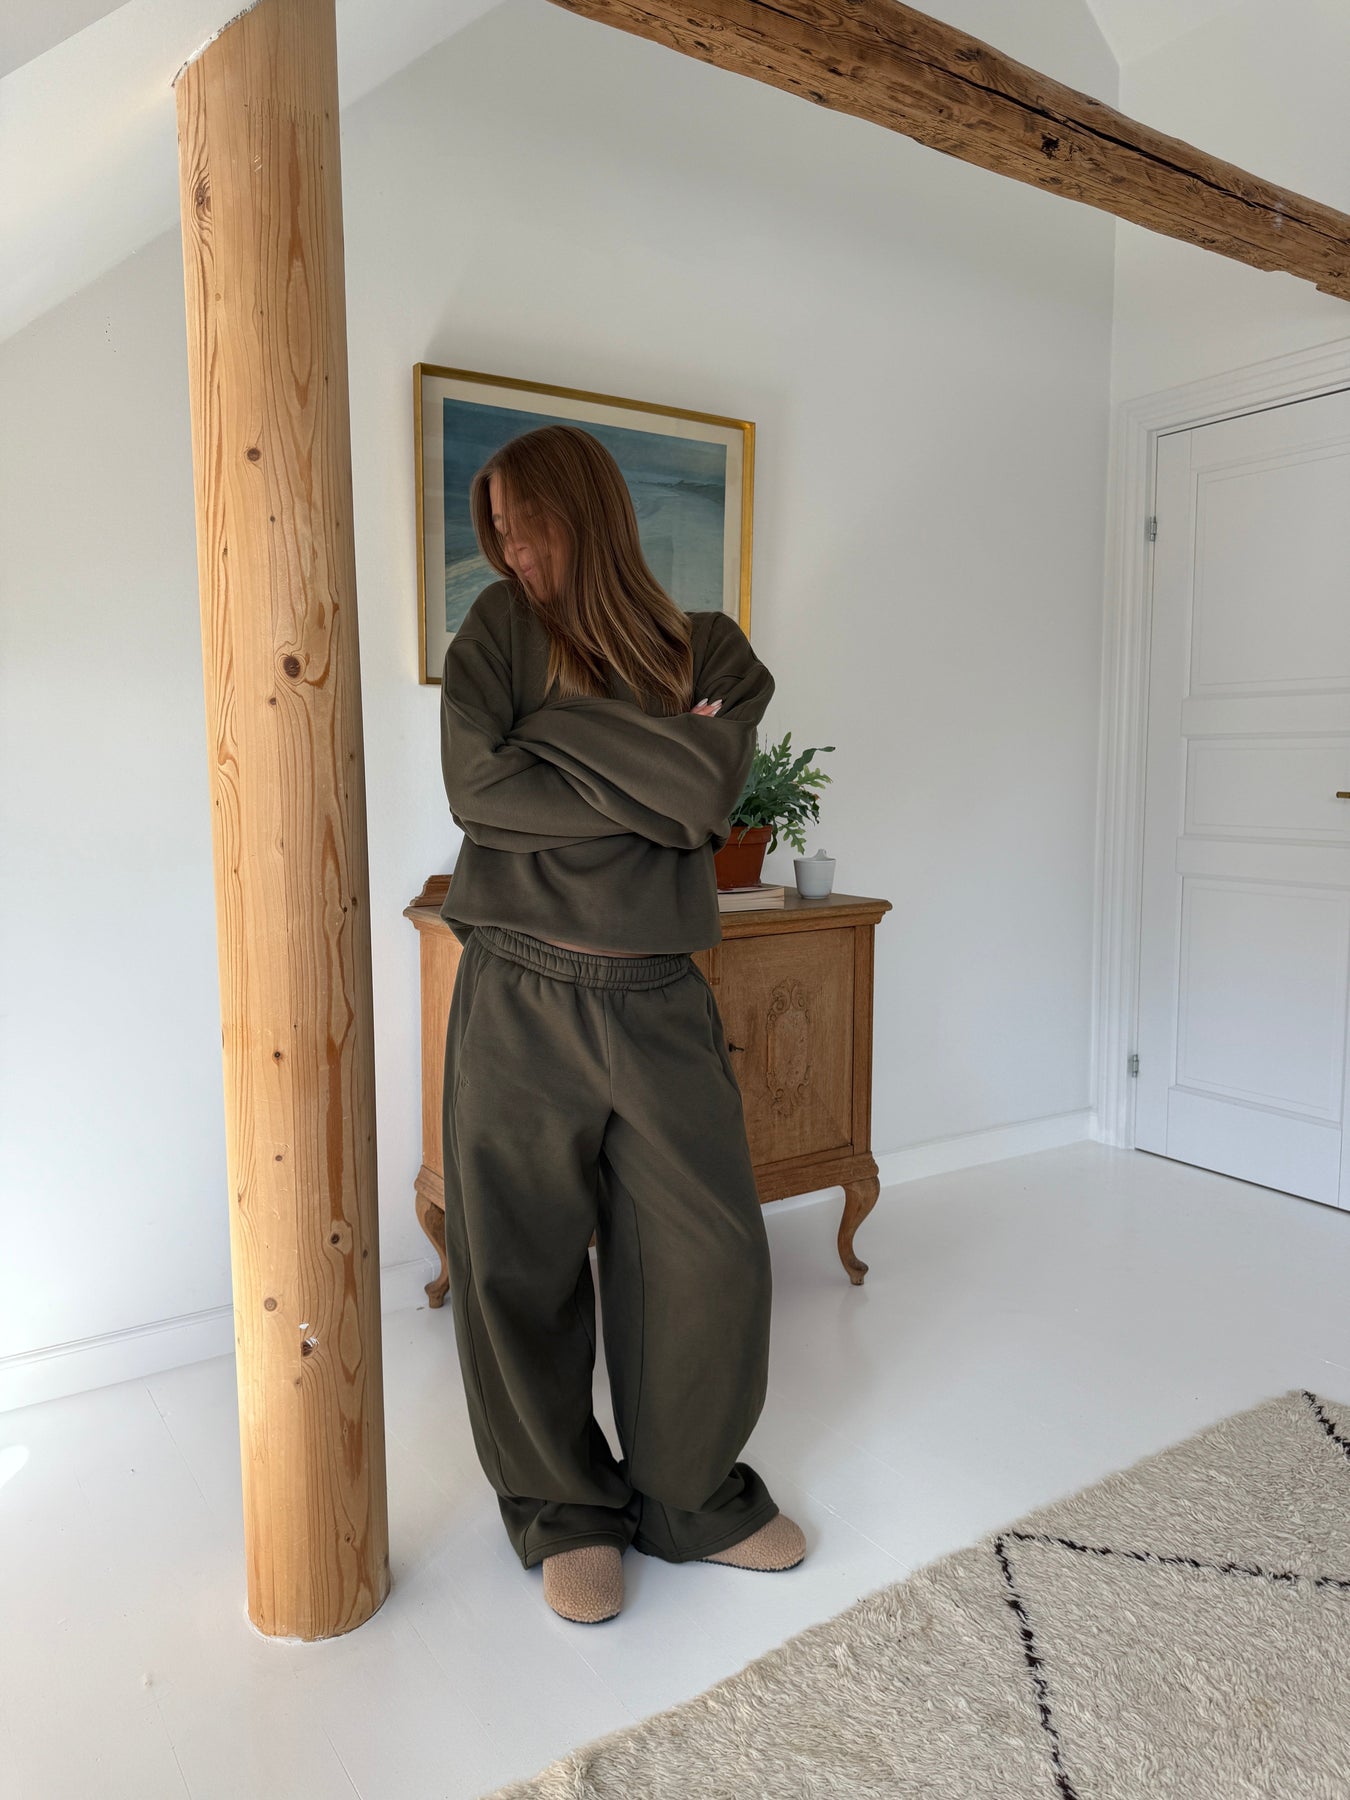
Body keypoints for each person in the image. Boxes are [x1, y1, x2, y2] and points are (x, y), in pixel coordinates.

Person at [437, 423, 805, 1623]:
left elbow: (703, 793)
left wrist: (548, 739)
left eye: (526, 526)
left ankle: (689, 1500)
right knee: (519, 1264)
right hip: (519, 991)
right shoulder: (497, 629)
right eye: (494, 530)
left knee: (710, 1256)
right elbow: (476, 791)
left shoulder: (711, 650)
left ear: (584, 512)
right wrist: (651, 767)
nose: (509, 552)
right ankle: (566, 1513)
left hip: (659, 997)